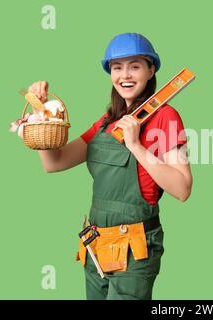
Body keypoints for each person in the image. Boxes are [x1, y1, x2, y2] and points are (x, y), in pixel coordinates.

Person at [27, 33, 192, 300]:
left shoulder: (166, 117)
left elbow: (183, 188)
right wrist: (42, 114)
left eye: (135, 66)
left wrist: (136, 145)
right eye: (117, 67)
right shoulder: (105, 123)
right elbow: (54, 163)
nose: (125, 75)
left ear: (151, 70)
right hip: (95, 246)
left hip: (134, 250)